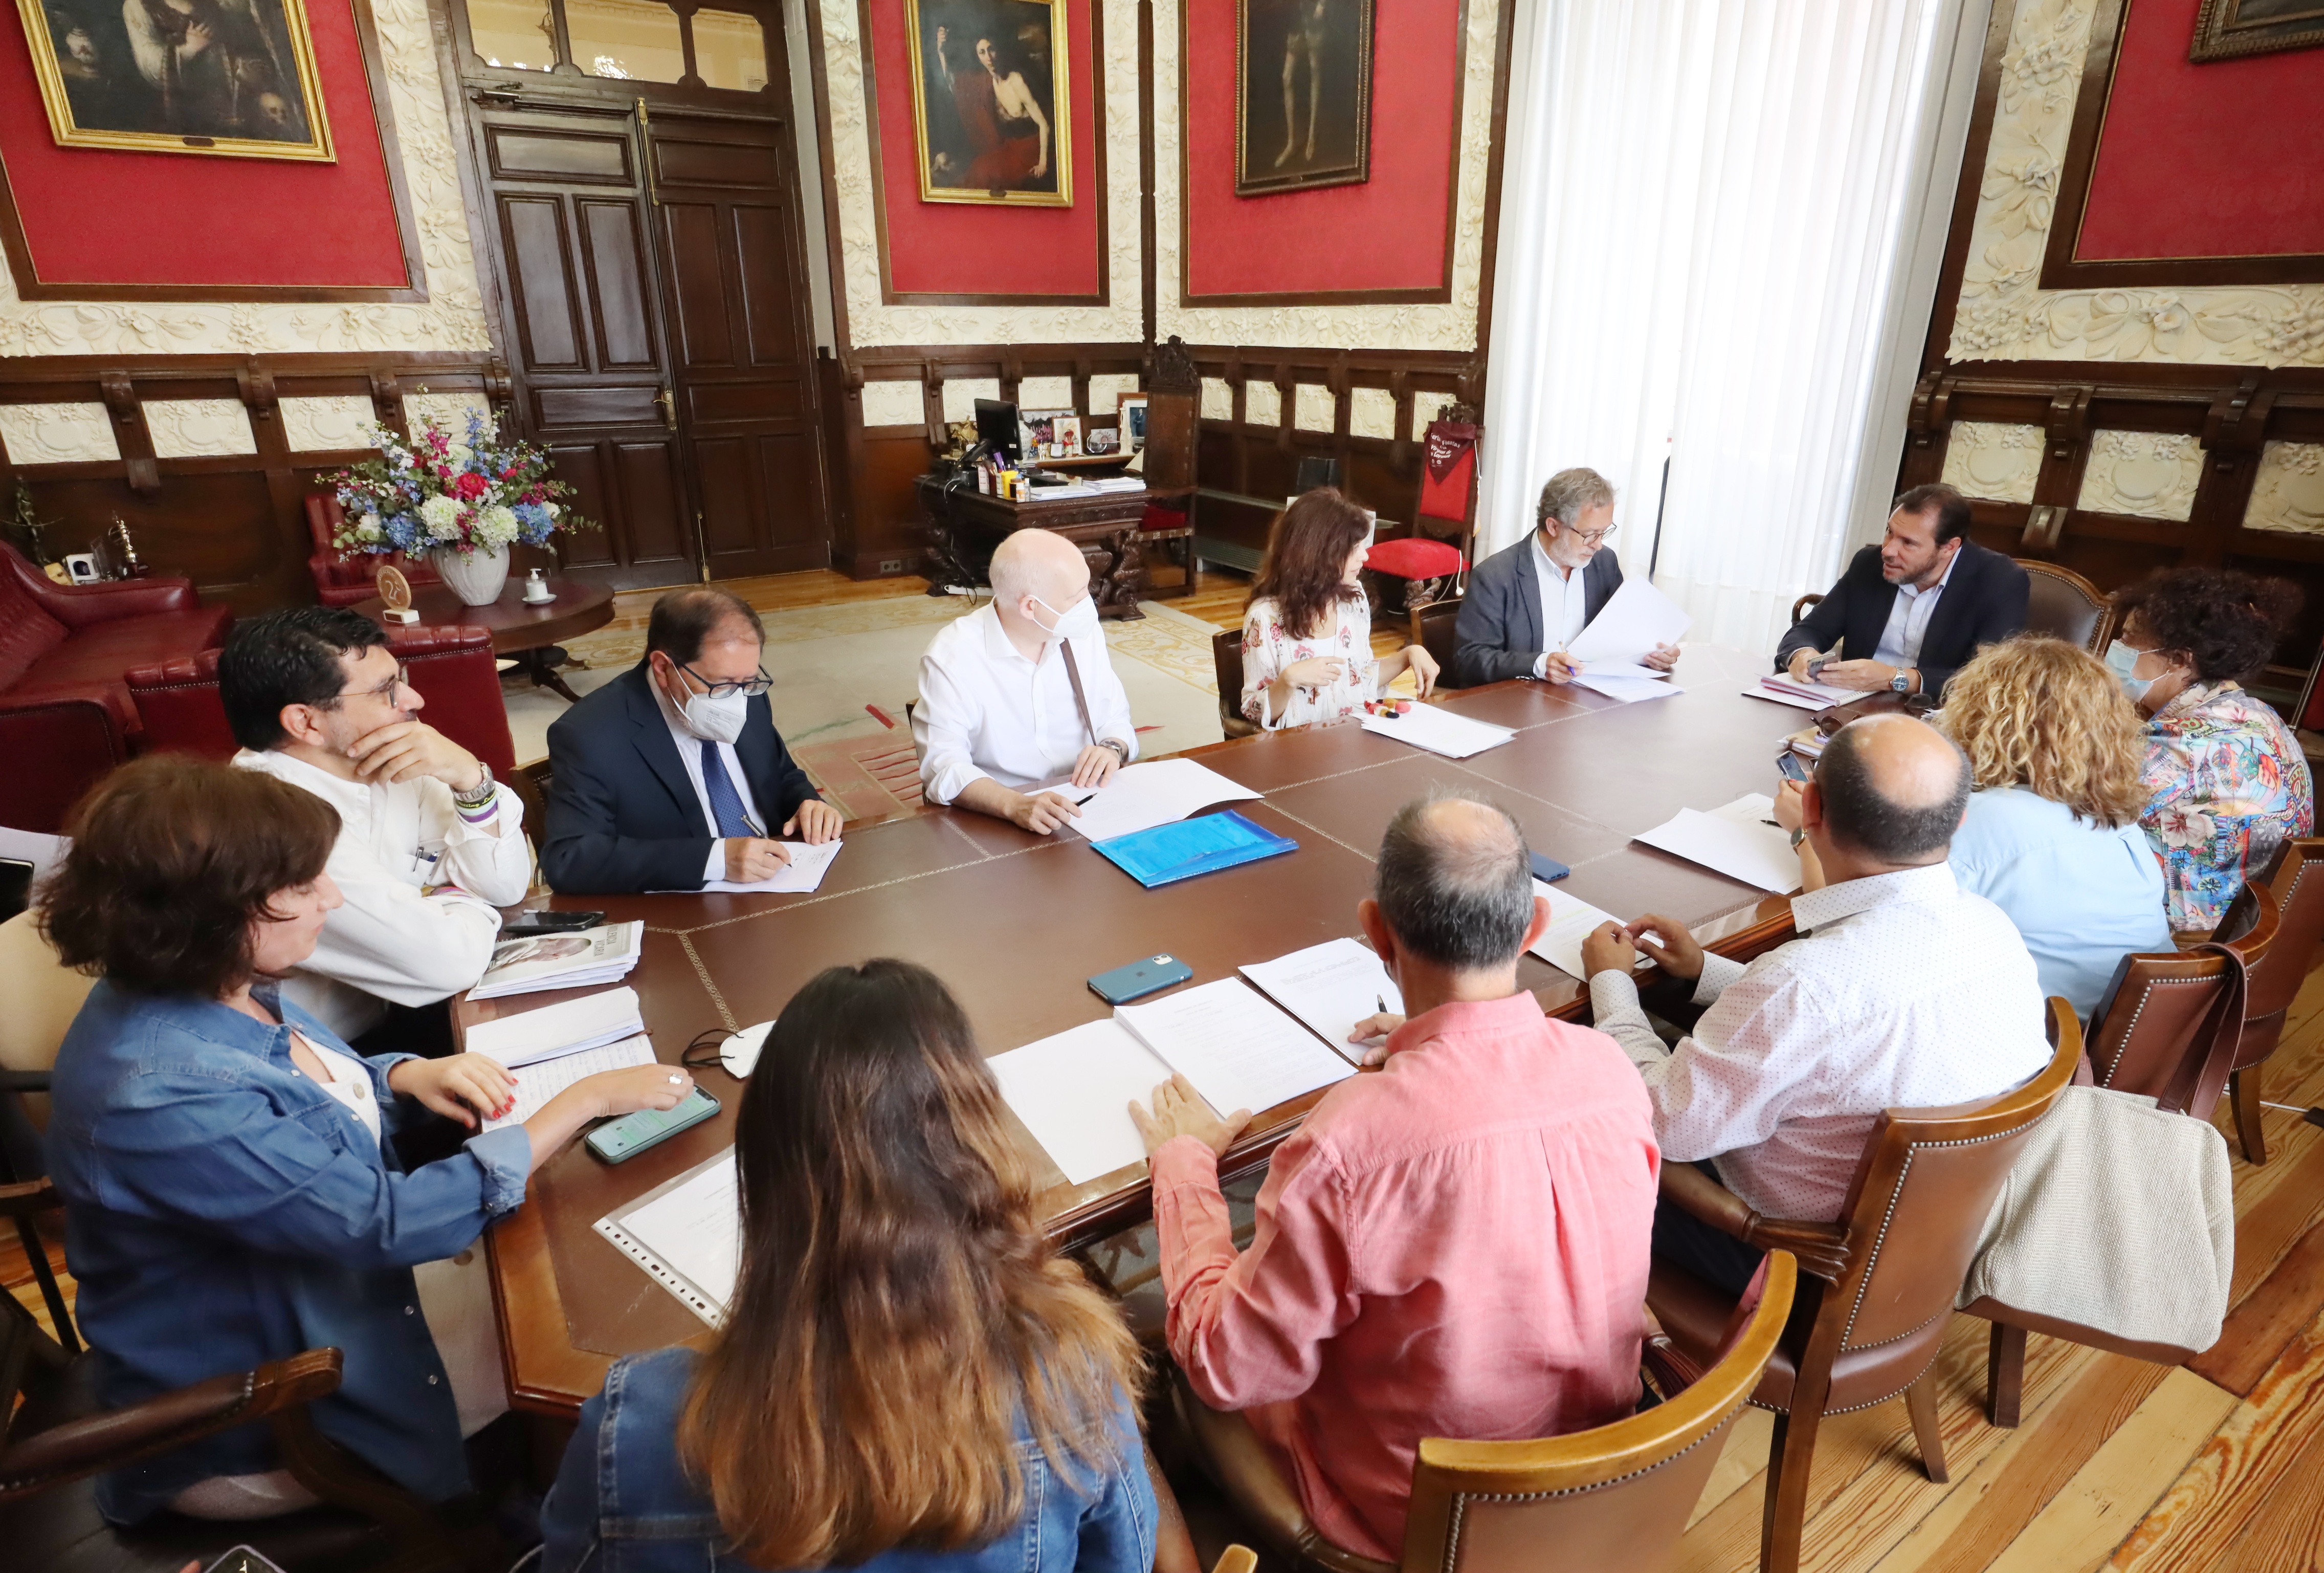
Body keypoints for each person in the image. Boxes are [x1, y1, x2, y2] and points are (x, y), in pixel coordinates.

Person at [40, 756, 691, 1525]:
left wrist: (404, 1076)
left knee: (573, 1269)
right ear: (211, 913)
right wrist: (581, 1101)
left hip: (322, 1295)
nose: (333, 897)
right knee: (615, 1355)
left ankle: (537, 1490)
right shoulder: (160, 1090)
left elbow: (308, 1103)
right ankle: (544, 1521)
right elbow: (388, 1223)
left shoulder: (213, 986)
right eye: (301, 884)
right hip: (271, 1404)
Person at [1131, 790, 1657, 1562]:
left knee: (1171, 1353)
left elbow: (1223, 1364)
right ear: (1534, 925)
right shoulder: (1610, 1070)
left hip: (1423, 1521)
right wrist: (1427, 1046)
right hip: (1600, 1479)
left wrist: (1183, 1165)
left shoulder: (1347, 1144)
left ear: (1375, 930)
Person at [540, 959, 1156, 1573]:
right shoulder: (1074, 1382)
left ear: (763, 1179)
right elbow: (1125, 1560)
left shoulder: (633, 1429)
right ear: (976, 1159)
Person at [1580, 715, 2050, 1294]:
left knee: (1560, 1113)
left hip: (1792, 1261)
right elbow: (1831, 1027)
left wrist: (1612, 986)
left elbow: (1661, 1122)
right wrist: (1704, 970)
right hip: (1934, 1245)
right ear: (1958, 820)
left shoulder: (1803, 985)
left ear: (1810, 810)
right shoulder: (1992, 928)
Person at [221, 607, 532, 1047]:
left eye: (400, 679)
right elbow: (450, 962)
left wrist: (469, 779)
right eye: (386, 691)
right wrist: (455, 894)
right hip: (322, 1055)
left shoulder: (390, 756)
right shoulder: (271, 819)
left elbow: (504, 886)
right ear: (306, 723)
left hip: (414, 1012)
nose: (414, 700)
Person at [1928, 638, 2170, 1018]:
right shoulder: (2117, 819)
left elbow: (1888, 931)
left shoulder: (1978, 821)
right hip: (2143, 1029)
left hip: (2053, 1042)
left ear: (1980, 719)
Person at [541, 588, 842, 894]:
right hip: (684, 905)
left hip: (781, 880)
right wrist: (716, 860)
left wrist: (807, 804)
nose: (737, 701)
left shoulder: (748, 695)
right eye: (722, 685)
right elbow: (569, 859)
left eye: (748, 682)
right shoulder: (590, 735)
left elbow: (781, 774)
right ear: (663, 668)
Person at [2110, 567, 2315, 932]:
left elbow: (2076, 810)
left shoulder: (2180, 742)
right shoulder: (2262, 716)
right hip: (2251, 931)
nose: (2116, 649)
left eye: (2127, 640)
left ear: (2178, 659)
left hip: (2184, 939)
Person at [915, 529, 1138, 835]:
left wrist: (1112, 748)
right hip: (999, 815)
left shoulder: (1082, 634)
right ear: (1030, 606)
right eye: (1076, 597)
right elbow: (943, 767)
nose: (1090, 603)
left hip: (1088, 802)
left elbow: (1115, 717)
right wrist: (1014, 805)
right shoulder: (953, 657)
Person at [1775, 484, 2029, 699]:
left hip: (1938, 716)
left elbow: (1992, 678)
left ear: (1949, 547)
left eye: (1908, 543)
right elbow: (1808, 631)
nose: (1888, 550)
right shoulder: (1869, 564)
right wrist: (1803, 656)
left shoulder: (2000, 582)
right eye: (1890, 532)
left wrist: (1895, 679)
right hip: (1852, 706)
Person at [1453, 469, 1677, 688]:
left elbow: (1621, 630)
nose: (1598, 545)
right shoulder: (1495, 576)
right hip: (1522, 699)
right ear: (1553, 526)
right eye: (1590, 535)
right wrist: (1539, 664)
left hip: (1591, 696)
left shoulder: (1604, 563)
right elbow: (1469, 660)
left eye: (1604, 533)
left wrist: (1652, 652)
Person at [1240, 488, 1438, 729]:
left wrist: (1409, 655)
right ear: (1319, 553)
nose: (1365, 556)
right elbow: (1253, 711)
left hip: (1352, 739)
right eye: (1354, 548)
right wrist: (1288, 680)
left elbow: (1360, 679)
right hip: (1297, 748)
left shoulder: (1353, 600)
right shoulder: (1264, 617)